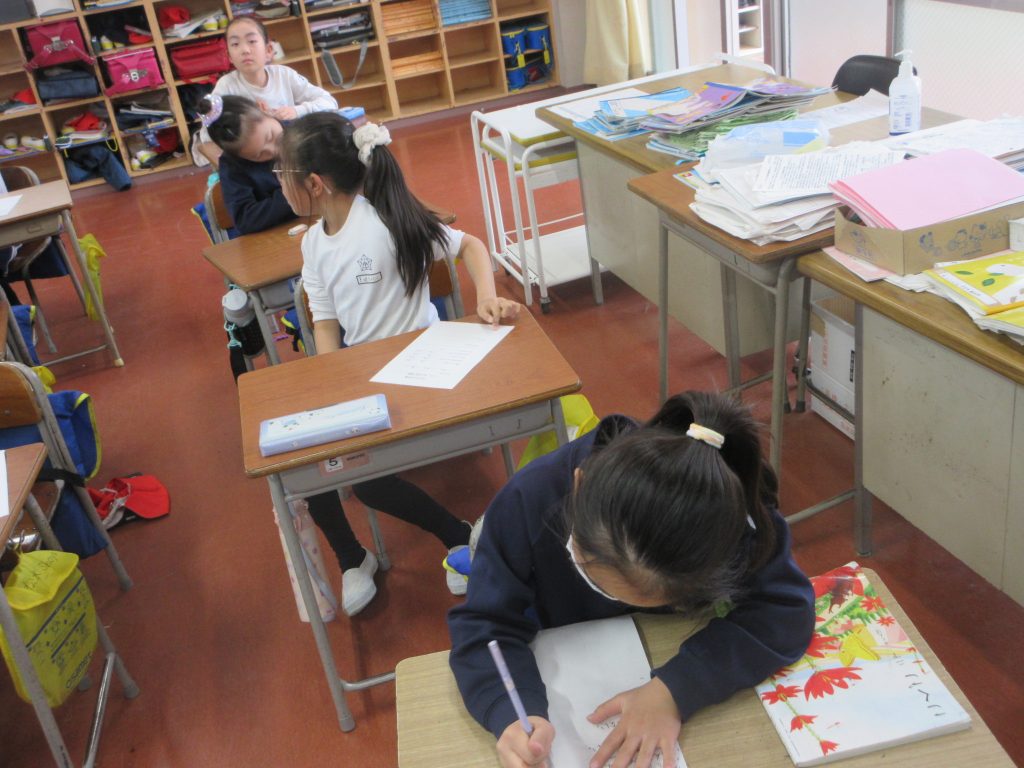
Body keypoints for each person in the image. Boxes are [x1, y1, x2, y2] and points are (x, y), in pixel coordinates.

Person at [447, 391, 816, 768]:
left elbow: (784, 611)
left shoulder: (727, 522)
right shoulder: (529, 498)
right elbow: (485, 626)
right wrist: (510, 713)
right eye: (597, 579)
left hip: (662, 656)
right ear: (579, 485)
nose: (614, 599)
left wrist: (676, 689)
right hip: (558, 656)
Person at [276, 111, 521, 616]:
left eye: (283, 174)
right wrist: (330, 386)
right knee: (310, 459)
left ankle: (457, 535)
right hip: (370, 374)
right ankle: (352, 557)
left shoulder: (386, 219)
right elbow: (326, 322)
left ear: (315, 184)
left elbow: (470, 246)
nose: (278, 183)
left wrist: (486, 297)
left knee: (365, 479)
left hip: (426, 370)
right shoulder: (314, 243)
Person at [195, 15, 337, 167]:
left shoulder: (284, 75)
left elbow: (330, 102)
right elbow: (207, 138)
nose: (245, 50)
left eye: (252, 41)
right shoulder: (226, 86)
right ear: (229, 56)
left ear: (269, 50)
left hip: (290, 153)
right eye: (235, 44)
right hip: (252, 162)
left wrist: (297, 111)